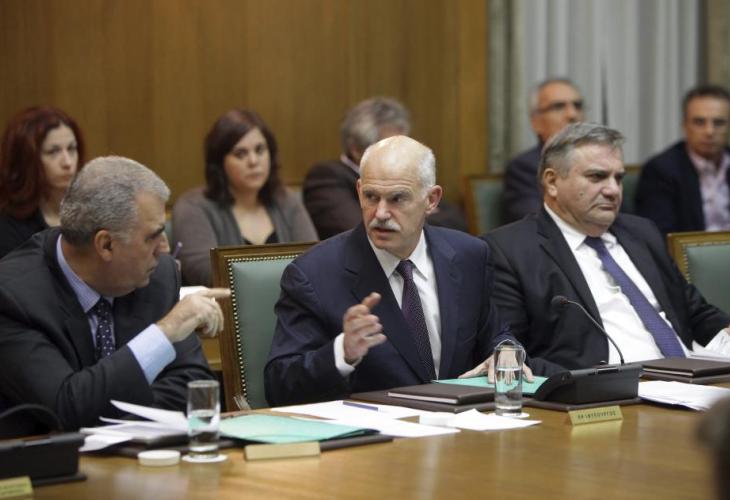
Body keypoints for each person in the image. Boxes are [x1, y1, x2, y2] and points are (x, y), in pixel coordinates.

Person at [265, 135, 519, 406]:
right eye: (371, 197)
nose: (381, 213)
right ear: (358, 191)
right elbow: (279, 386)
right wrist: (342, 353)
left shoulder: (469, 256)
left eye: (397, 199)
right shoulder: (313, 274)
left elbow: (496, 334)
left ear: (432, 200)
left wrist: (505, 352)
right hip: (373, 428)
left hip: (462, 424)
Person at [0, 156, 230, 435]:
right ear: (106, 245)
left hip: (141, 456)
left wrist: (102, 408)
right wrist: (163, 333)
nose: (164, 248)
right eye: (153, 236)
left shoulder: (157, 275)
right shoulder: (13, 296)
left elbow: (193, 387)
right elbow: (65, 408)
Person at [483, 123, 730, 376]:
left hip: (692, 378)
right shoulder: (509, 251)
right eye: (597, 177)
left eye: (618, 178)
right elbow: (510, 350)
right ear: (552, 181)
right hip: (606, 391)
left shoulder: (642, 232)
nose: (613, 190)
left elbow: (696, 312)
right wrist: (585, 384)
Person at [173, 109, 317, 286]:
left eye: (260, 150)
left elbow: (315, 261)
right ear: (219, 162)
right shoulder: (193, 207)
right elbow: (205, 274)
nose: (253, 161)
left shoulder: (286, 200)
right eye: (240, 154)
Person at [302, 96, 467, 240]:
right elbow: (365, 232)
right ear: (356, 149)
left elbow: (455, 219)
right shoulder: (326, 177)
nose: (402, 152)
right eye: (390, 146)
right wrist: (417, 215)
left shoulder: (406, 174)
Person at [635, 84, 730, 234]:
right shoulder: (660, 171)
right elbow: (659, 234)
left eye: (718, 123)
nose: (709, 131)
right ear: (685, 125)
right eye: (699, 122)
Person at [0, 106, 86, 259]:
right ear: (26, 159)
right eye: (53, 152)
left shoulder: (89, 210)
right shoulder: (7, 226)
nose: (67, 162)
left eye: (72, 148)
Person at [501, 78, 584, 224]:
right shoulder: (524, 168)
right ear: (536, 122)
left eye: (577, 106)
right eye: (558, 106)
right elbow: (536, 222)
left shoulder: (604, 163)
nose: (572, 114)